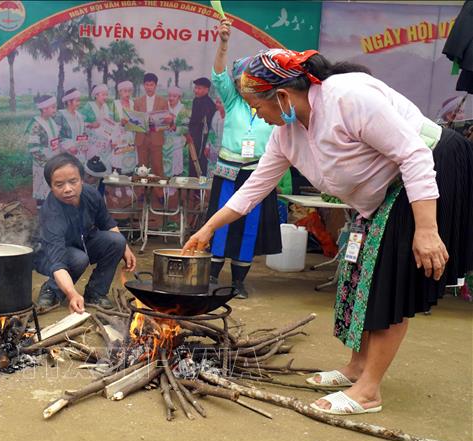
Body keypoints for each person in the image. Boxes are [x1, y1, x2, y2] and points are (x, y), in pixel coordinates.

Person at [183, 48, 473, 415]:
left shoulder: (347, 99)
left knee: (389, 280)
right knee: (357, 275)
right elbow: (254, 187)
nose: (255, 114)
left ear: (283, 96)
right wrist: (208, 228)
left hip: (428, 171)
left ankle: (369, 390)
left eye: (256, 105)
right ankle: (357, 367)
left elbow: (413, 154)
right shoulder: (286, 135)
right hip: (383, 193)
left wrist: (427, 230)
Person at [206, 20, 282, 298]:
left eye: (249, 81)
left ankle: (238, 282)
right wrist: (224, 44)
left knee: (248, 227)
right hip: (228, 170)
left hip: (257, 173)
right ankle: (213, 277)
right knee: (222, 221)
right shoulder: (232, 101)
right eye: (240, 80)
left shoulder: (273, 105)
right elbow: (217, 74)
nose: (243, 84)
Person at [35, 153, 137, 312]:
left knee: (117, 241)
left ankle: (96, 293)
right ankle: (52, 289)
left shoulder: (91, 194)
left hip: (83, 242)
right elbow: (57, 263)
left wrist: (126, 249)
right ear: (51, 187)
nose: (68, 189)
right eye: (59, 184)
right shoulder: (51, 213)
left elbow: (107, 223)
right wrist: (72, 294)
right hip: (51, 255)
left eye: (73, 181)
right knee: (78, 258)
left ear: (81, 180)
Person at [27, 95, 61, 204]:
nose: (55, 110)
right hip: (42, 164)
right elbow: (33, 148)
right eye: (53, 107)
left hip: (54, 162)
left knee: (53, 189)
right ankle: (42, 214)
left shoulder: (52, 121)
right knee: (42, 189)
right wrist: (47, 158)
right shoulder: (36, 124)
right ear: (44, 109)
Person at [133, 73, 168, 178]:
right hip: (141, 138)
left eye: (151, 85)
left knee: (157, 166)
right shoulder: (137, 101)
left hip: (156, 138)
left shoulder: (163, 101)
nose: (149, 87)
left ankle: (158, 193)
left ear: (155, 86)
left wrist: (167, 120)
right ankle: (142, 192)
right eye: (147, 85)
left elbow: (165, 121)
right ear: (144, 85)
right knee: (142, 167)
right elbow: (135, 120)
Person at [187, 77, 217, 177]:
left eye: (199, 88)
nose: (196, 90)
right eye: (196, 88)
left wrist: (205, 144)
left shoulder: (209, 104)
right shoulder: (196, 100)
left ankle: (200, 190)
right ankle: (192, 190)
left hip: (202, 141)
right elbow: (193, 121)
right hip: (193, 138)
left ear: (206, 89)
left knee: (201, 164)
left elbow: (207, 126)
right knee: (192, 164)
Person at [81, 84, 113, 171]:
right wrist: (91, 125)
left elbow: (110, 121)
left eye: (106, 94)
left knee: (105, 166)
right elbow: (79, 122)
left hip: (105, 143)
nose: (105, 97)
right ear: (96, 95)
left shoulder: (106, 107)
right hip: (92, 143)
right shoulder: (88, 106)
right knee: (93, 167)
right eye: (103, 94)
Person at [110, 80, 137, 175]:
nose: (127, 94)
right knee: (117, 160)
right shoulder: (115, 104)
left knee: (129, 159)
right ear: (119, 92)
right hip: (118, 137)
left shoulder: (134, 104)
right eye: (125, 91)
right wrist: (120, 123)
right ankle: (118, 187)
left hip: (130, 137)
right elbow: (110, 122)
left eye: (129, 91)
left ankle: (127, 185)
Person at [162, 86, 190, 177]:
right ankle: (164, 188)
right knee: (164, 166)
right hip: (164, 142)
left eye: (174, 96)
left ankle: (174, 189)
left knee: (175, 168)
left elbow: (186, 128)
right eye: (169, 96)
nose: (171, 98)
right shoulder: (164, 106)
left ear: (179, 97)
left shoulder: (183, 109)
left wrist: (175, 127)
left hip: (176, 143)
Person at [55, 88, 88, 162]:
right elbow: (56, 135)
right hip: (66, 152)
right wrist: (68, 146)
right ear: (69, 102)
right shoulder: (60, 115)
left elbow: (83, 132)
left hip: (79, 151)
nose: (79, 103)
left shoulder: (79, 115)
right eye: (77, 101)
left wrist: (84, 144)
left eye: (79, 100)